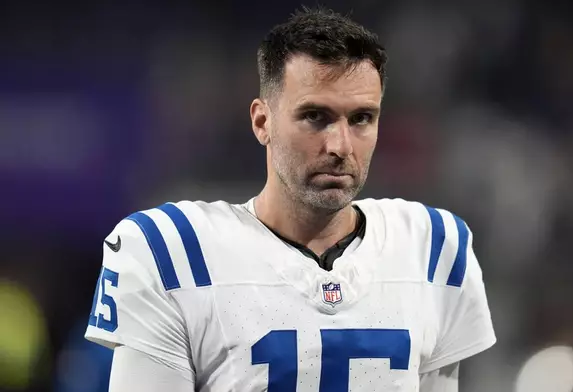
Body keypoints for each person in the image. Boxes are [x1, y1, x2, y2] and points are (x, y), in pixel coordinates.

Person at [85, 6, 496, 391]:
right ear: (263, 122)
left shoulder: (433, 247)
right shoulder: (171, 252)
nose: (340, 144)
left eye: (361, 119)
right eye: (315, 116)